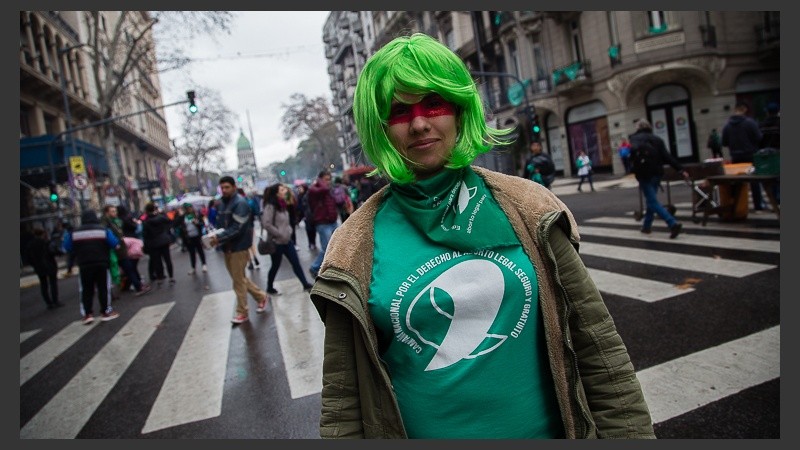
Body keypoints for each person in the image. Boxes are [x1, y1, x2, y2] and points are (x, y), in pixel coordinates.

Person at [308, 33, 654, 439]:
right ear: (381, 127)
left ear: (458, 109)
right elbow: (343, 402)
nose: (420, 123)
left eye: (433, 103)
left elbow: (599, 349)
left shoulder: (528, 206)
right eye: (400, 111)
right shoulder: (353, 247)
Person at [207, 176, 269, 324]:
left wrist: (219, 237)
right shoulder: (222, 203)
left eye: (227, 187)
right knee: (239, 278)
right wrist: (217, 236)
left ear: (234, 187)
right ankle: (261, 296)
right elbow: (222, 225)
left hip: (238, 247)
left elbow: (237, 228)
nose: (224, 190)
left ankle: (242, 311)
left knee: (238, 281)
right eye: (222, 188)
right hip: (227, 246)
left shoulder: (240, 203)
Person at [629, 118, 689, 238]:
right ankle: (646, 227)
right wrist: (680, 169)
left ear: (638, 128)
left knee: (652, 201)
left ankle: (672, 223)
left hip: (643, 174)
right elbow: (667, 157)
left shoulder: (634, 139)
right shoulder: (657, 139)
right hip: (657, 173)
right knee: (652, 200)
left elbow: (631, 157)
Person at [63, 209, 121, 324]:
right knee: (103, 288)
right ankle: (105, 311)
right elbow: (115, 244)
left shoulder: (74, 232)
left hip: (84, 264)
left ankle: (87, 314)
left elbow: (67, 247)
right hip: (102, 263)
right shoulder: (103, 230)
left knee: (86, 289)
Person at [261, 183, 314, 295]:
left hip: (287, 241)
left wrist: (289, 231)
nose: (285, 190)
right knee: (275, 266)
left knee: (295, 263)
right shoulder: (270, 206)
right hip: (276, 242)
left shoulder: (282, 204)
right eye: (282, 189)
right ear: (276, 193)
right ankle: (269, 287)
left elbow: (286, 221)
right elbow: (266, 224)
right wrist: (279, 234)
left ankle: (305, 284)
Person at [721, 102, 764, 211]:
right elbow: (759, 137)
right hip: (750, 156)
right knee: (754, 180)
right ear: (744, 109)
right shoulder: (750, 123)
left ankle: (736, 206)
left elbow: (724, 142)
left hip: (736, 157)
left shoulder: (727, 125)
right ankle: (758, 205)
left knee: (737, 182)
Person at [101, 204, 151, 296]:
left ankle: (136, 285)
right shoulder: (106, 224)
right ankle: (138, 286)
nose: (115, 213)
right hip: (116, 250)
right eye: (112, 211)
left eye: (115, 211)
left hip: (120, 249)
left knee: (128, 269)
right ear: (107, 213)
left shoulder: (113, 221)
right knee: (127, 268)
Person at [306, 170, 340, 279]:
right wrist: (321, 182)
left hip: (332, 220)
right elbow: (324, 189)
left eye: (329, 179)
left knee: (338, 245)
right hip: (322, 222)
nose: (328, 182)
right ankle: (315, 267)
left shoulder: (328, 189)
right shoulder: (314, 189)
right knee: (326, 248)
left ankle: (333, 269)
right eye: (326, 179)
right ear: (320, 179)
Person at [24, 227, 65, 310]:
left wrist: (34, 265)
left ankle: (49, 303)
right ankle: (55, 301)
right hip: (50, 265)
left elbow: (28, 258)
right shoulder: (46, 243)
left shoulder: (30, 245)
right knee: (53, 283)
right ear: (43, 234)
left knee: (43, 285)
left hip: (39, 267)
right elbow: (54, 251)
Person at [142, 202, 175, 284]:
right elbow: (169, 221)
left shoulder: (146, 222)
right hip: (164, 240)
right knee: (167, 259)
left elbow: (145, 235)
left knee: (157, 261)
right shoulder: (161, 217)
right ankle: (171, 276)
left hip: (154, 243)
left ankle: (160, 277)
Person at [176, 203, 208, 275]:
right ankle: (193, 267)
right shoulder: (183, 217)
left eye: (189, 208)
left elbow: (202, 223)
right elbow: (176, 223)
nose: (189, 209)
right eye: (187, 208)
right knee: (192, 253)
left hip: (197, 236)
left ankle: (204, 264)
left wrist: (197, 223)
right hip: (189, 237)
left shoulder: (196, 214)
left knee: (200, 250)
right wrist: (179, 215)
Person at [238, 187, 262, 271]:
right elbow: (256, 212)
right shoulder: (249, 201)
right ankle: (255, 257)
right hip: (250, 225)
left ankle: (250, 261)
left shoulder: (236, 203)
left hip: (240, 228)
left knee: (245, 246)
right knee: (251, 243)